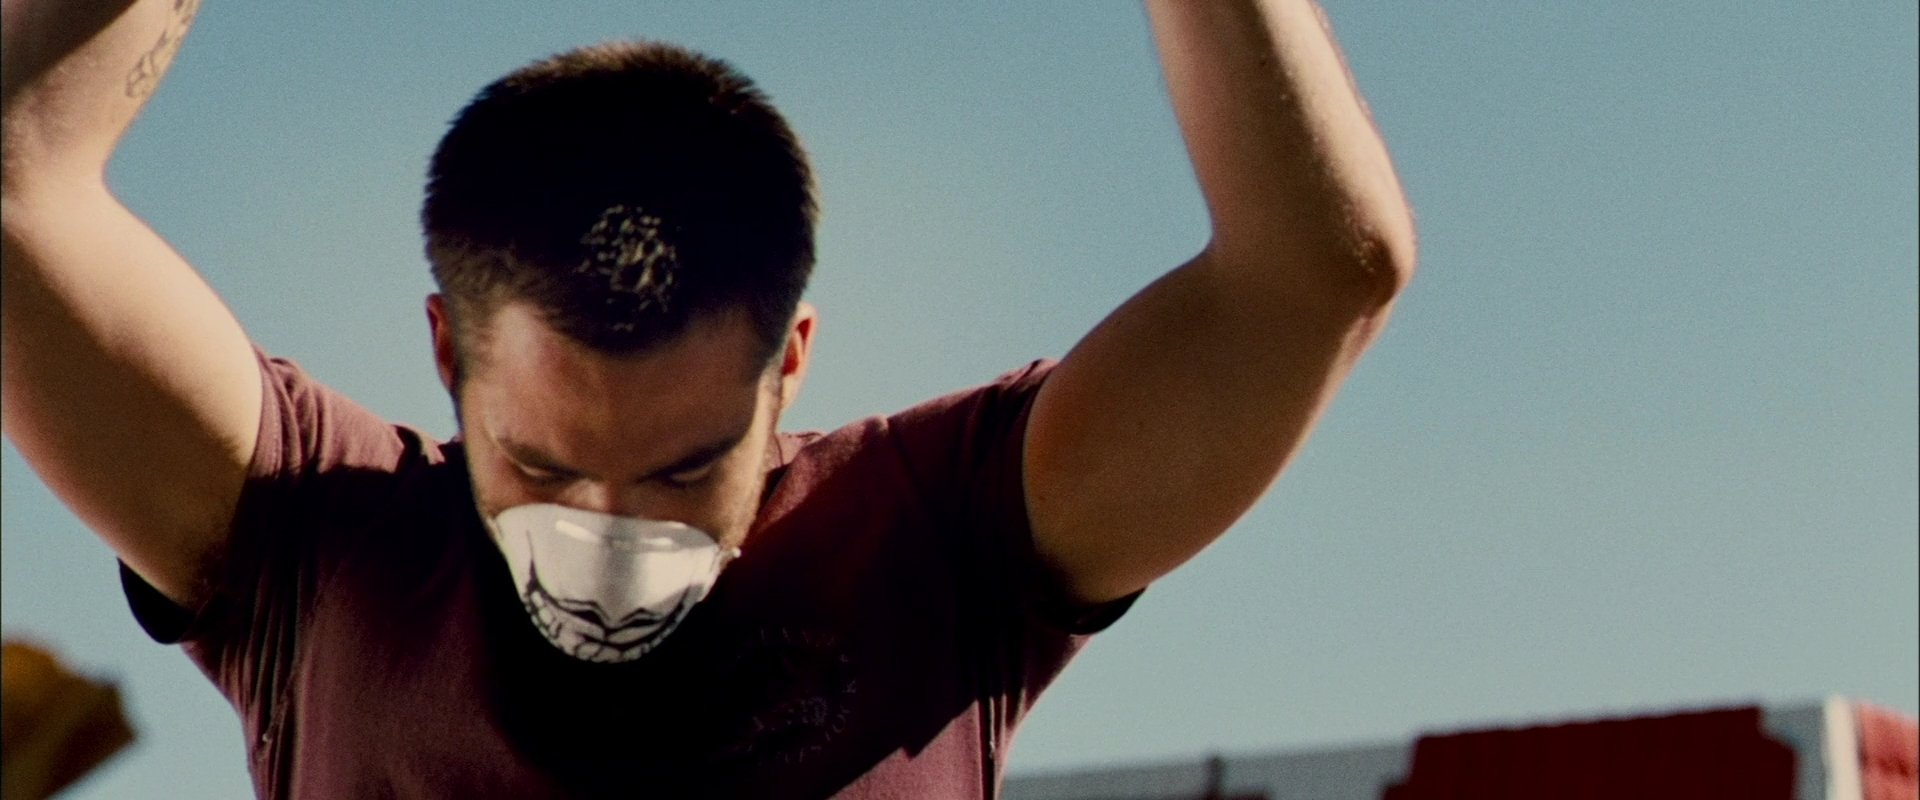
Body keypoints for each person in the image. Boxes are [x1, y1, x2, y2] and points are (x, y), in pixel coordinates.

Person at [0, 1, 1415, 797]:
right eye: (545, 469)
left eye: (684, 472)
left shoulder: (940, 543)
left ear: (788, 360)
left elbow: (1318, 272)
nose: (611, 539)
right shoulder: (318, 547)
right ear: (446, 352)